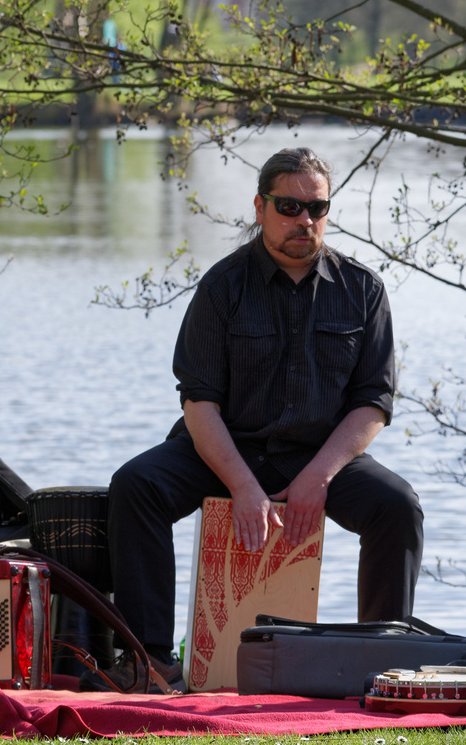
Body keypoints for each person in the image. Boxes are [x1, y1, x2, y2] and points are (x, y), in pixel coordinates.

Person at [104, 147, 424, 692]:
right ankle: (149, 661)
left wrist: (318, 478)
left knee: (398, 508)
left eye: (317, 208)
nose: (305, 220)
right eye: (289, 206)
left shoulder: (363, 290)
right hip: (224, 447)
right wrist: (244, 488)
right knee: (136, 487)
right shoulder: (222, 286)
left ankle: (379, 664)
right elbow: (199, 403)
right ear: (260, 206)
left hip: (318, 453)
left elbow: (373, 403)